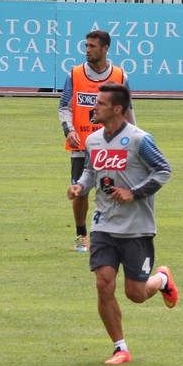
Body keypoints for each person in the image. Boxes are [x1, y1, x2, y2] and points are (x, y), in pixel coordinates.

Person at [66, 83, 178, 365]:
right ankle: (120, 348)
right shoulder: (93, 140)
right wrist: (80, 186)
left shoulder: (140, 140)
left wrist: (134, 192)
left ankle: (162, 279)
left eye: (100, 104)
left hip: (136, 227)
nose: (94, 107)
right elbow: (90, 171)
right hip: (103, 225)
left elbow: (163, 171)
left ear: (117, 109)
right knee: (104, 283)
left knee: (135, 294)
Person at [58, 29, 134, 252]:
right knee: (80, 191)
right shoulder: (75, 74)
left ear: (105, 48)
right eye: (86, 46)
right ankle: (81, 237)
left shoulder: (119, 76)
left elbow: (128, 111)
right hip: (81, 145)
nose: (87, 50)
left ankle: (111, 235)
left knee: (111, 191)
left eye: (92, 46)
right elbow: (64, 107)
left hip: (111, 146)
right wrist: (69, 130)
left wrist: (135, 140)